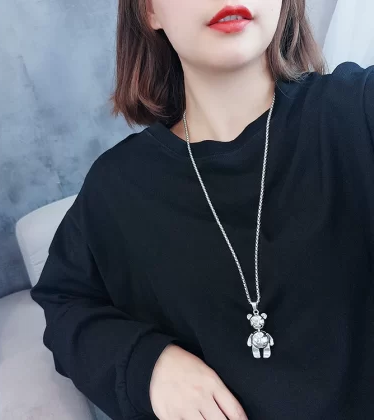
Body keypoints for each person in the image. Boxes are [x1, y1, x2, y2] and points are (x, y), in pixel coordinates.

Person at [30, 0, 374, 419]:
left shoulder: (357, 112)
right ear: (149, 12)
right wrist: (149, 366)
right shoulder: (117, 186)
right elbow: (64, 305)